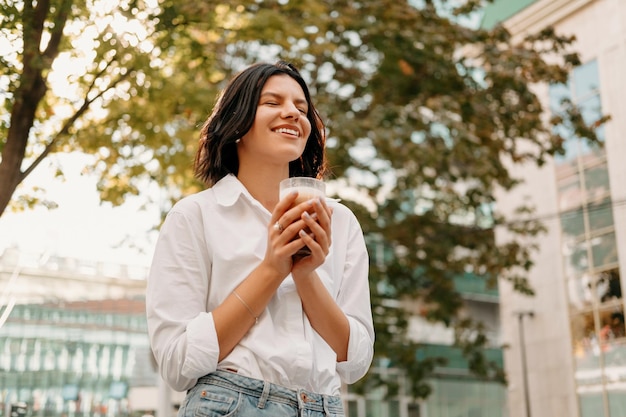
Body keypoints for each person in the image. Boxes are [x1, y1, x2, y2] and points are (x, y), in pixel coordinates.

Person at [146, 61, 374, 417]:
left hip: (323, 406)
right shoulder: (195, 216)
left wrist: (305, 275)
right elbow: (177, 362)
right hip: (229, 403)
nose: (293, 114)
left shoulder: (340, 222)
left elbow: (355, 360)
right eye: (272, 102)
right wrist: (272, 268)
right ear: (237, 122)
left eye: (301, 108)